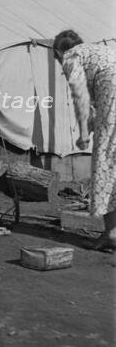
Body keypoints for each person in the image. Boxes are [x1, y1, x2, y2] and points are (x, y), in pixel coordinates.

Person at [53, 30, 116, 250]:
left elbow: (80, 97)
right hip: (109, 99)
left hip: (112, 97)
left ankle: (112, 233)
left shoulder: (71, 56)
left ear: (60, 50)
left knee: (105, 164)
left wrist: (81, 133)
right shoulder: (100, 51)